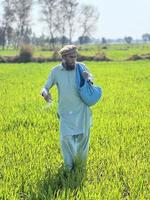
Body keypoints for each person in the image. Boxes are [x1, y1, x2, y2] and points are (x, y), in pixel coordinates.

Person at [41, 45, 92, 171]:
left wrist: (88, 78)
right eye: (71, 57)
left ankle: (81, 167)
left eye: (75, 57)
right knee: (66, 139)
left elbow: (91, 79)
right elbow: (45, 87)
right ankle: (68, 168)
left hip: (82, 111)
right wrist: (45, 94)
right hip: (65, 112)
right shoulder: (56, 71)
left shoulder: (81, 67)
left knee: (83, 140)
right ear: (63, 57)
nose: (74, 60)